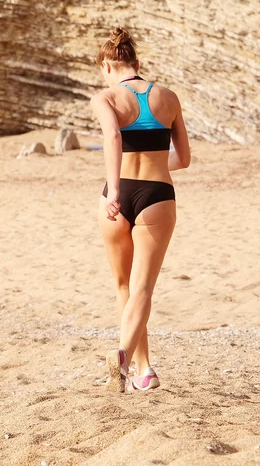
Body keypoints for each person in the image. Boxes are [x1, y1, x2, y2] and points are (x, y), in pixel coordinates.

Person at [91, 28, 191, 392]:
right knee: (143, 289)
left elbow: (113, 137)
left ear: (107, 65)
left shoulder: (105, 98)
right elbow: (184, 159)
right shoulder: (168, 98)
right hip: (158, 194)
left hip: (115, 197)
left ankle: (136, 363)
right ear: (137, 63)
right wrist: (155, 166)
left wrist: (116, 189)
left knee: (123, 285)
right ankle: (137, 364)